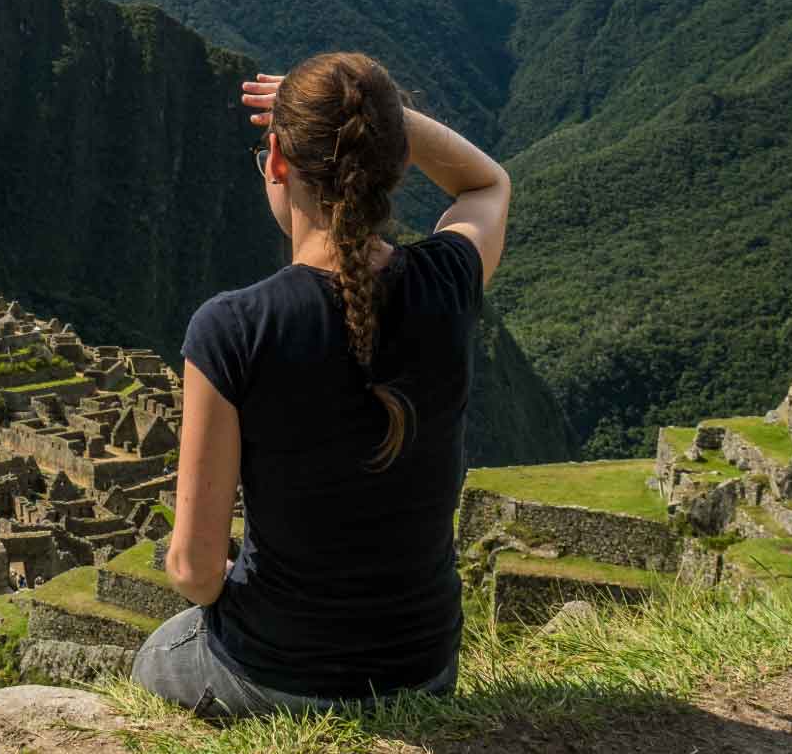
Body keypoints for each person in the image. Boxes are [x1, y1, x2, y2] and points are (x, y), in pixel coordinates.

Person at [131, 53, 511, 719]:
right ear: (395, 163)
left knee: (157, 655)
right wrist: (381, 120)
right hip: (425, 667)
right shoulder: (448, 284)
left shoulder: (231, 329)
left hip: (283, 674)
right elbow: (486, 185)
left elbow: (194, 571)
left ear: (277, 161)